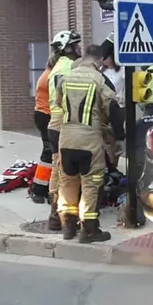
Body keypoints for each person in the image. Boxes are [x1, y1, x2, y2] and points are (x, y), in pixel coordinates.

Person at [55, 44, 125, 243]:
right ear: (99, 60)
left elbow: (60, 104)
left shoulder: (66, 78)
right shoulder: (99, 79)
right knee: (91, 184)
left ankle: (68, 227)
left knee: (67, 181)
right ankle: (89, 230)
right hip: (89, 141)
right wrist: (118, 135)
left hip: (66, 139)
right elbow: (112, 107)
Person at [45, 30, 83, 231]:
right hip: (64, 125)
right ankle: (63, 217)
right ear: (67, 48)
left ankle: (54, 216)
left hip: (54, 125)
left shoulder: (57, 67)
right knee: (67, 174)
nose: (80, 48)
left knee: (57, 171)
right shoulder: (69, 67)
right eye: (76, 45)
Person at [30, 53, 60, 204]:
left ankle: (41, 188)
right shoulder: (51, 76)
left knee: (49, 152)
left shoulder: (46, 74)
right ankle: (39, 189)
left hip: (42, 115)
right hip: (46, 115)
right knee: (49, 153)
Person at [100, 34, 124, 170]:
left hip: (119, 108)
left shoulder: (122, 71)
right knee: (106, 143)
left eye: (106, 57)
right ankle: (108, 166)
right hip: (105, 110)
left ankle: (113, 166)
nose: (104, 60)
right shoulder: (100, 71)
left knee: (114, 143)